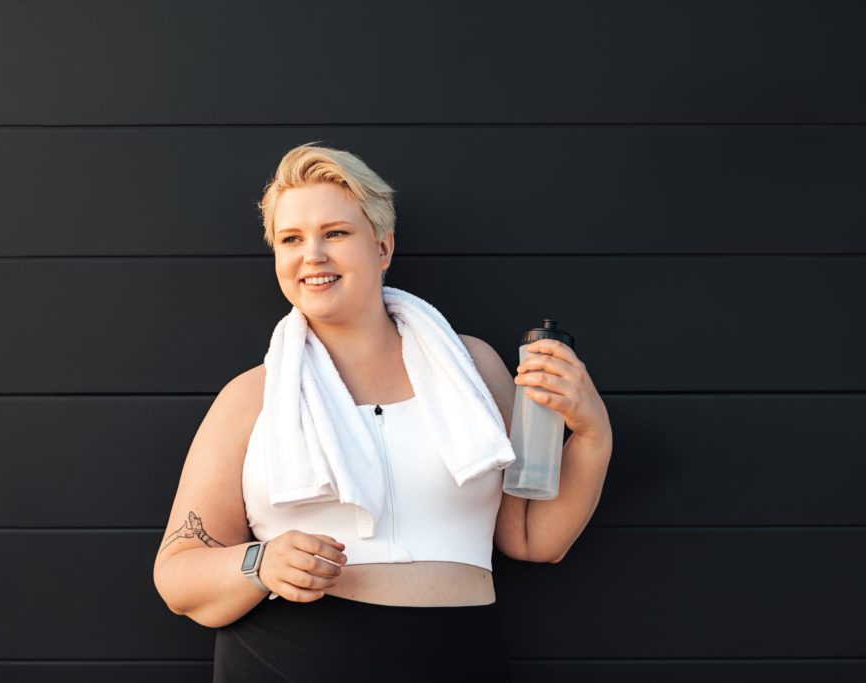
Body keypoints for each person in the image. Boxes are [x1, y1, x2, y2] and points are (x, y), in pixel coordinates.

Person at [152, 142, 610, 682]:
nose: (313, 255)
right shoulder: (251, 396)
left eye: (336, 233)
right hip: (288, 660)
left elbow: (534, 539)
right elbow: (178, 573)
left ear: (383, 247)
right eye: (291, 239)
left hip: (459, 660)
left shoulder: (471, 367)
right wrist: (261, 562)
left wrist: (592, 434)